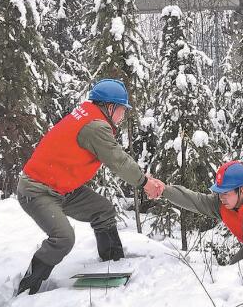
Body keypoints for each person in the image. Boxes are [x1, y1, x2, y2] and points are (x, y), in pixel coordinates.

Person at [15, 79, 166, 295]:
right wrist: (144, 182)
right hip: (37, 190)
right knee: (63, 238)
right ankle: (29, 285)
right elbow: (119, 161)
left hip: (62, 188)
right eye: (122, 109)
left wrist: (143, 177)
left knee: (102, 210)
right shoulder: (95, 126)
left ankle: (113, 264)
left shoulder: (88, 114)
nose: (123, 115)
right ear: (110, 106)